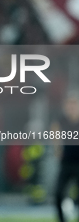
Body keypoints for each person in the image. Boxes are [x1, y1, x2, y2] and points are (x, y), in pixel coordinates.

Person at [51, 94, 79, 222]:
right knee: (58, 193)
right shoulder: (62, 120)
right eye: (69, 105)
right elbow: (54, 129)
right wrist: (57, 148)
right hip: (66, 163)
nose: (71, 108)